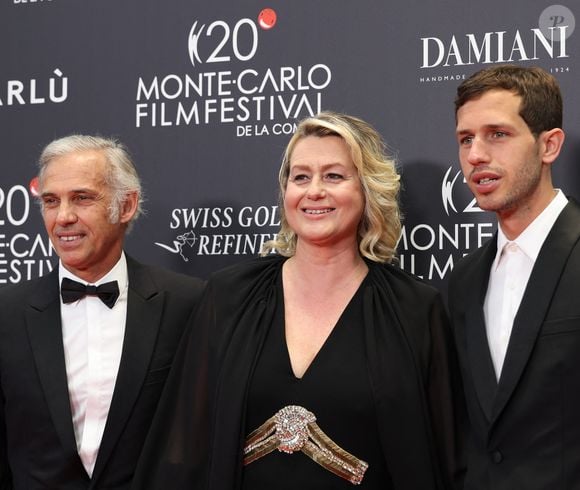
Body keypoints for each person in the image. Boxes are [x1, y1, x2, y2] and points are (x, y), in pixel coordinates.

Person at [133, 111, 464, 490]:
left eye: (334, 176)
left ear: (367, 189)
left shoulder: (415, 309)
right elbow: (183, 451)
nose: (314, 191)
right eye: (300, 177)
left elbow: (441, 459)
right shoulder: (230, 295)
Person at [0, 135, 204, 489]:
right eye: (51, 201)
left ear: (126, 206)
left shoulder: (187, 304)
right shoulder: (6, 311)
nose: (63, 217)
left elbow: (203, 436)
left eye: (81, 198)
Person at [448, 64, 578, 489]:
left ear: (549, 145)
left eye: (497, 134)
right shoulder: (464, 280)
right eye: (466, 139)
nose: (475, 155)